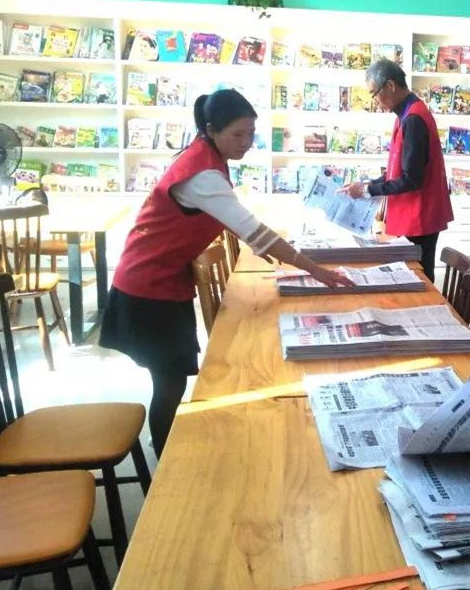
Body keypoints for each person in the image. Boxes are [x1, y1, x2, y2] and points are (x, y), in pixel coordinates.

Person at [101, 89, 351, 457]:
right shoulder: (202, 172)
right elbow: (253, 230)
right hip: (148, 286)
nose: (246, 142)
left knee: (170, 379)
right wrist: (314, 270)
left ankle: (167, 447)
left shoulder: (207, 155)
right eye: (238, 134)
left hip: (160, 279)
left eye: (251, 133)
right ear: (211, 130)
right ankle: (168, 465)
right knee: (168, 383)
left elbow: (237, 223)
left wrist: (272, 248)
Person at [340, 59, 453, 282]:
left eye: (375, 94)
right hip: (413, 213)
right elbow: (397, 169)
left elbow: (411, 179)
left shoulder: (413, 118)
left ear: (391, 85)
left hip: (420, 216)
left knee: (419, 277)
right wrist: (367, 185)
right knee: (412, 274)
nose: (375, 101)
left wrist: (367, 191)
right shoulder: (406, 114)